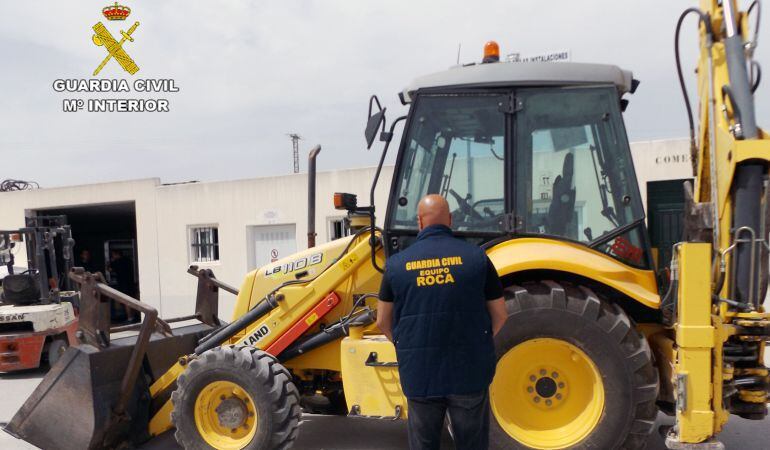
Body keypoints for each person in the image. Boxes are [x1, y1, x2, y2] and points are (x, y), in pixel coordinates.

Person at [377, 194, 508, 450]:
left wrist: (406, 345)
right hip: (468, 371)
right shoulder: (477, 258)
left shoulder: (396, 265)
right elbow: (501, 314)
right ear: (450, 219)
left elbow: (383, 320)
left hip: (420, 373)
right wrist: (478, 340)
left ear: (419, 221)